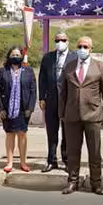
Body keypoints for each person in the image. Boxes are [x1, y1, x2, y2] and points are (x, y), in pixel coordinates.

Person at [60, 36, 103, 195]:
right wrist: (62, 113)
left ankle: (96, 183)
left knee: (95, 152)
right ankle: (72, 182)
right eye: (80, 46)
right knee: (72, 152)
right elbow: (63, 93)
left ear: (91, 48)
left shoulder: (101, 67)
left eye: (85, 46)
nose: (82, 49)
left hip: (93, 115)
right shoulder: (68, 67)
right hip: (72, 116)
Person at [38, 32, 77, 173]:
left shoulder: (75, 57)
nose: (60, 42)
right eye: (57, 40)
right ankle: (51, 160)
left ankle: (66, 160)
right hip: (51, 99)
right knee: (52, 131)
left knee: (67, 132)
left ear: (68, 41)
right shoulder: (48, 57)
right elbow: (42, 78)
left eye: (63, 40)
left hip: (68, 100)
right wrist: (42, 97)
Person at [0, 46, 37, 173]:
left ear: (22, 56)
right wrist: (1, 108)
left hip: (23, 109)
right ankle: (9, 162)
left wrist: (30, 107)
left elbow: (33, 90)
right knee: (9, 134)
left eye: (18, 55)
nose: (15, 57)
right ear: (9, 56)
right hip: (7, 109)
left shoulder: (29, 71)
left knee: (22, 134)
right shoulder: (3, 71)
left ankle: (23, 162)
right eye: (13, 55)